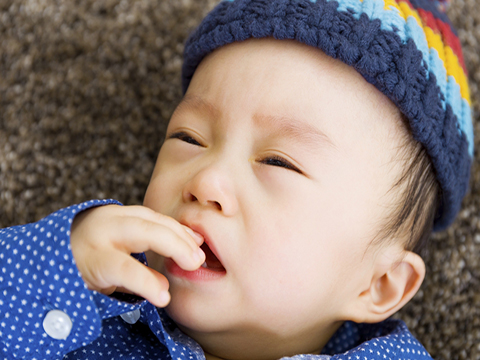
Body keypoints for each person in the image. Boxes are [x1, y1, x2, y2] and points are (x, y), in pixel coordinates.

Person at [0, 0, 473, 359]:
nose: (206, 180)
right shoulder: (90, 293)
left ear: (380, 284)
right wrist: (59, 266)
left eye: (279, 163)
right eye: (188, 138)